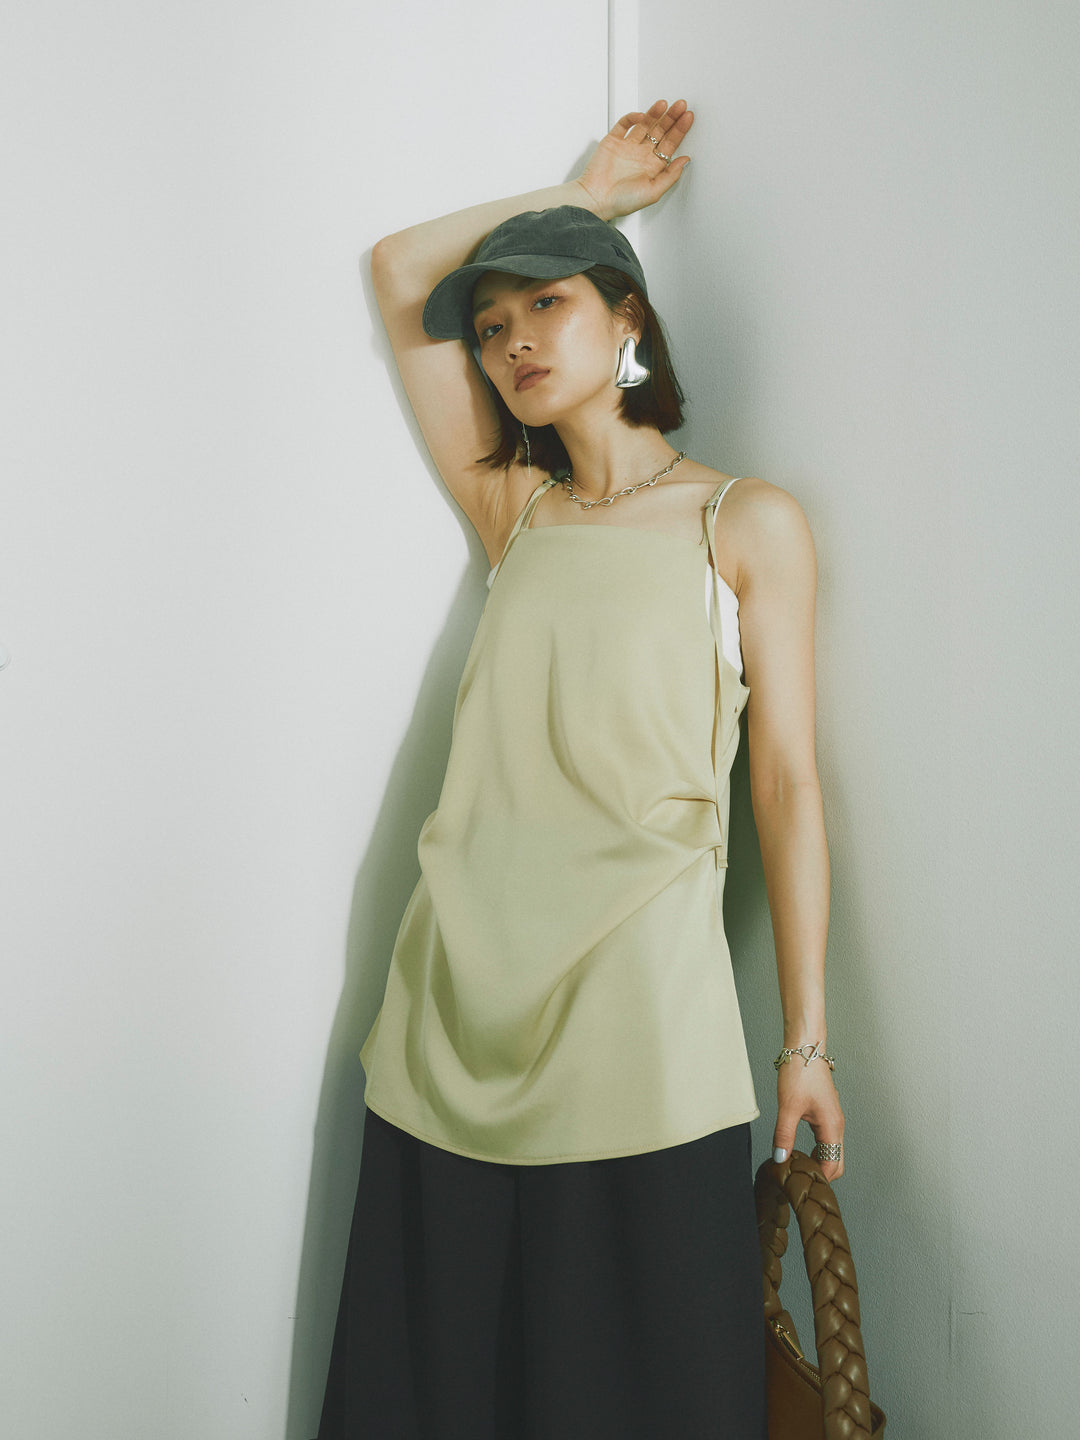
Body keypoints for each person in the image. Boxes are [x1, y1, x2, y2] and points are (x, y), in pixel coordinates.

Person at [315, 98, 845, 1440]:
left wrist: (804, 1041)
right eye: (492, 327)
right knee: (439, 1400)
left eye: (546, 305)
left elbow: (786, 784)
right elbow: (398, 270)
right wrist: (586, 199)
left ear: (629, 323)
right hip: (449, 1020)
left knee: (640, 1400)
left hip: (639, 1024)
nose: (511, 344)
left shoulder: (744, 520)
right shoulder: (519, 510)